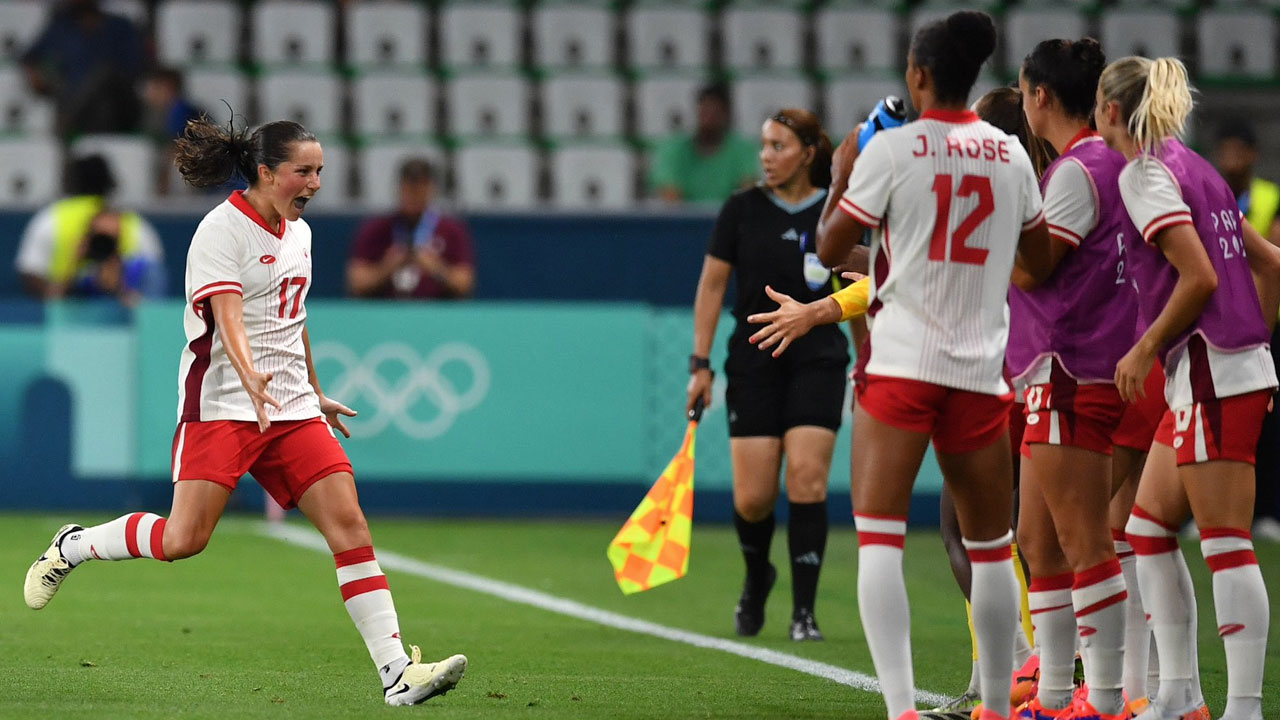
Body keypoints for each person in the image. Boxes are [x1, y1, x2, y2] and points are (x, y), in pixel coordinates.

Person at [22, 117, 468, 706]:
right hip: (221, 405)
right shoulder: (221, 230)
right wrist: (250, 375)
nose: (314, 182)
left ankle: (395, 675)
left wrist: (313, 389)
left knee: (349, 525)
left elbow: (292, 319)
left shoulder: (300, 233)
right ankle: (74, 545)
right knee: (184, 538)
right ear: (267, 172)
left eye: (319, 171)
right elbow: (228, 315)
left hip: (291, 409)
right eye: (303, 171)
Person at [747, 87, 1050, 717]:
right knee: (1027, 538)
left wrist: (842, 176)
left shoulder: (920, 159)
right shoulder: (1029, 181)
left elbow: (834, 251)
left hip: (966, 369)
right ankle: (1033, 679)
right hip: (1003, 374)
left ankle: (1029, 668)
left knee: (928, 535)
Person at [819, 10, 1053, 719]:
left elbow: (831, 248)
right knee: (991, 547)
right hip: (980, 369)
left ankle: (901, 710)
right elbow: (1039, 262)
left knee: (882, 540)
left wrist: (841, 172)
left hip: (900, 367)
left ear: (919, 77)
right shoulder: (1011, 156)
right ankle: (999, 710)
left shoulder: (891, 152)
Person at [1095, 56, 1280, 720]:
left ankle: (1246, 708)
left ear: (1110, 111)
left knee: (1226, 541)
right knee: (1146, 528)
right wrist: (1256, 332)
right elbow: (1270, 262)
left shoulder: (1145, 175)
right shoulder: (1193, 164)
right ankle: (1178, 693)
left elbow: (1198, 277)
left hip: (1210, 373)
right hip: (1222, 369)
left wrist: (1145, 347)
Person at [1008, 37, 1139, 720]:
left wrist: (981, 242)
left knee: (1084, 536)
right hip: (1078, 367)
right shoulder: (1107, 164)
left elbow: (1036, 268)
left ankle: (1106, 698)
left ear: (1039, 97)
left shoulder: (1075, 172)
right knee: (1038, 537)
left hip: (1070, 365)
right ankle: (1058, 692)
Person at [686, 107, 849, 642]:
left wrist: (869, 359)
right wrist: (701, 364)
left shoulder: (836, 212)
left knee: (807, 477)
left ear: (807, 152)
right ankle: (758, 578)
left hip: (819, 355)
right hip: (754, 359)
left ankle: (805, 611)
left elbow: (857, 287)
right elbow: (712, 287)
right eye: (763, 146)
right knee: (752, 499)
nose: (766, 156)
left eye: (779, 146)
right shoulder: (741, 209)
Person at [1212, 119, 1280, 543]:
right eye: (1226, 150)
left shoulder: (1270, 198)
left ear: (1253, 154)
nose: (1231, 159)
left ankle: (1269, 512)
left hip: (1268, 325)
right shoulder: (1211, 192)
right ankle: (1212, 509)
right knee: (1220, 421)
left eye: (1239, 150)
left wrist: (1265, 336)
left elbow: (1273, 257)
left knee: (1268, 427)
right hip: (1223, 321)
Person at [15, 154, 164, 301]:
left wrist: (118, 280)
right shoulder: (137, 226)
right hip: (69, 313)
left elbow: (31, 273)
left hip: (119, 316)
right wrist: (72, 269)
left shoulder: (48, 219)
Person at [347, 158, 475, 299]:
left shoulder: (451, 230)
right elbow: (356, 281)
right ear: (400, 189)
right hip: (386, 310)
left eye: (420, 190)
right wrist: (387, 268)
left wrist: (436, 269)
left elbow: (465, 283)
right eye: (409, 190)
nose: (414, 197)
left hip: (436, 312)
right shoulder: (376, 229)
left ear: (430, 189)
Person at [21, 0, 145, 137]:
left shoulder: (120, 26)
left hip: (116, 108)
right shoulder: (60, 26)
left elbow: (135, 68)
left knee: (105, 74)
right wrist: (36, 76)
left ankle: (67, 122)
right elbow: (30, 57)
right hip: (76, 106)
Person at [650, 83, 761, 205]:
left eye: (714, 113)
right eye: (704, 111)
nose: (708, 119)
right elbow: (670, 199)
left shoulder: (743, 150)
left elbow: (747, 196)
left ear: (726, 115)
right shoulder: (672, 150)